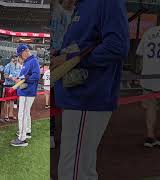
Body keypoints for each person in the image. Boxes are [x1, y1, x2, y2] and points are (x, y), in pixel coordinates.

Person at [53, 0, 129, 179]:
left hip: (88, 96)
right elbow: (82, 45)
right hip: (78, 96)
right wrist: (60, 55)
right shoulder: (83, 5)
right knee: (73, 169)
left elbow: (117, 47)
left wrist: (70, 57)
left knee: (75, 172)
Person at [50, 0, 75, 150]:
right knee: (51, 99)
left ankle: (68, 134)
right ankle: (51, 133)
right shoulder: (56, 11)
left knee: (68, 99)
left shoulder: (77, 13)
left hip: (66, 58)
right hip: (55, 58)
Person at [10, 44, 40, 147]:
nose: (19, 56)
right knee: (26, 113)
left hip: (27, 91)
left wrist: (25, 78)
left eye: (20, 54)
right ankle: (27, 132)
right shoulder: (28, 61)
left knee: (22, 114)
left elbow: (36, 76)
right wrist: (20, 79)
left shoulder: (33, 61)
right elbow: (26, 76)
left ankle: (22, 139)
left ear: (24, 51)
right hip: (25, 90)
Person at [136, 25, 160, 148]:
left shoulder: (149, 32)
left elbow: (140, 55)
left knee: (151, 107)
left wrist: (140, 72)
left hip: (149, 76)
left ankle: (150, 137)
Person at [3, 55, 21, 121]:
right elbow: (5, 75)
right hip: (8, 85)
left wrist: (18, 79)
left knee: (12, 100)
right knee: (7, 100)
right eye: (14, 58)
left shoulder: (19, 66)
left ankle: (11, 114)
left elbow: (20, 74)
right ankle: (6, 115)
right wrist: (11, 78)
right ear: (11, 59)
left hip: (15, 86)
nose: (15, 60)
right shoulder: (8, 65)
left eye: (16, 58)